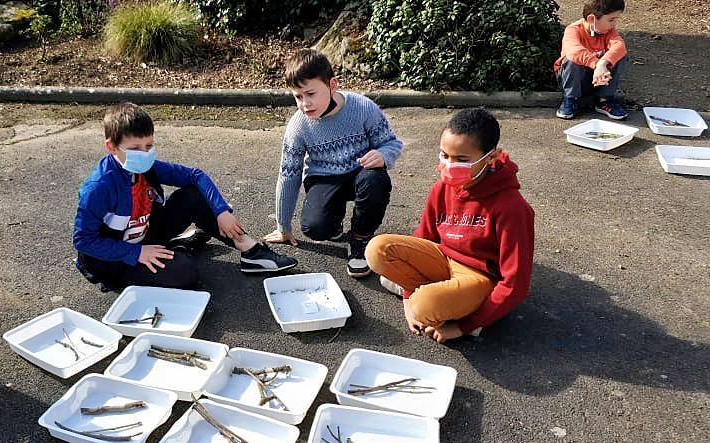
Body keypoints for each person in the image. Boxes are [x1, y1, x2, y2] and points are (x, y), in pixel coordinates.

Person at [73, 102, 297, 291]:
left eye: (149, 146)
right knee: (185, 274)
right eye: (135, 148)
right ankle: (176, 248)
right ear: (112, 147)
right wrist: (136, 253)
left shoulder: (146, 168)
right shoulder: (98, 187)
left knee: (193, 196)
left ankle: (250, 251)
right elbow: (83, 241)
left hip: (144, 235)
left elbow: (195, 175)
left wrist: (221, 211)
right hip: (114, 257)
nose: (145, 154)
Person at [365, 108, 534, 344]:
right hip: (443, 258)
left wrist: (463, 327)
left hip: (479, 276)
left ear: (492, 157)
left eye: (462, 160)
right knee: (377, 250)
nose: (449, 165)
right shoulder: (441, 188)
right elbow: (423, 239)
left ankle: (466, 310)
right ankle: (439, 299)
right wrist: (408, 297)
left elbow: (516, 284)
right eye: (444, 155)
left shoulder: (512, 208)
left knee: (425, 305)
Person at [263, 48, 403, 278]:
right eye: (298, 97)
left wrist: (383, 155)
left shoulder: (362, 107)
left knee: (375, 180)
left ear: (332, 85)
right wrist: (283, 227)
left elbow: (391, 143)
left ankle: (360, 240)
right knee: (315, 228)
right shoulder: (298, 126)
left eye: (311, 93)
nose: (305, 104)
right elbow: (288, 175)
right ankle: (334, 224)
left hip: (361, 172)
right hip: (324, 177)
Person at [554, 0, 628, 120]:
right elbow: (574, 51)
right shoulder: (573, 30)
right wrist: (598, 64)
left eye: (616, 19)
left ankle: (605, 100)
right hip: (574, 80)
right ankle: (570, 98)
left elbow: (619, 46)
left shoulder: (609, 31)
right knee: (571, 59)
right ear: (591, 19)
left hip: (599, 80)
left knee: (619, 55)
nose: (614, 24)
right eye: (611, 20)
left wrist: (603, 64)